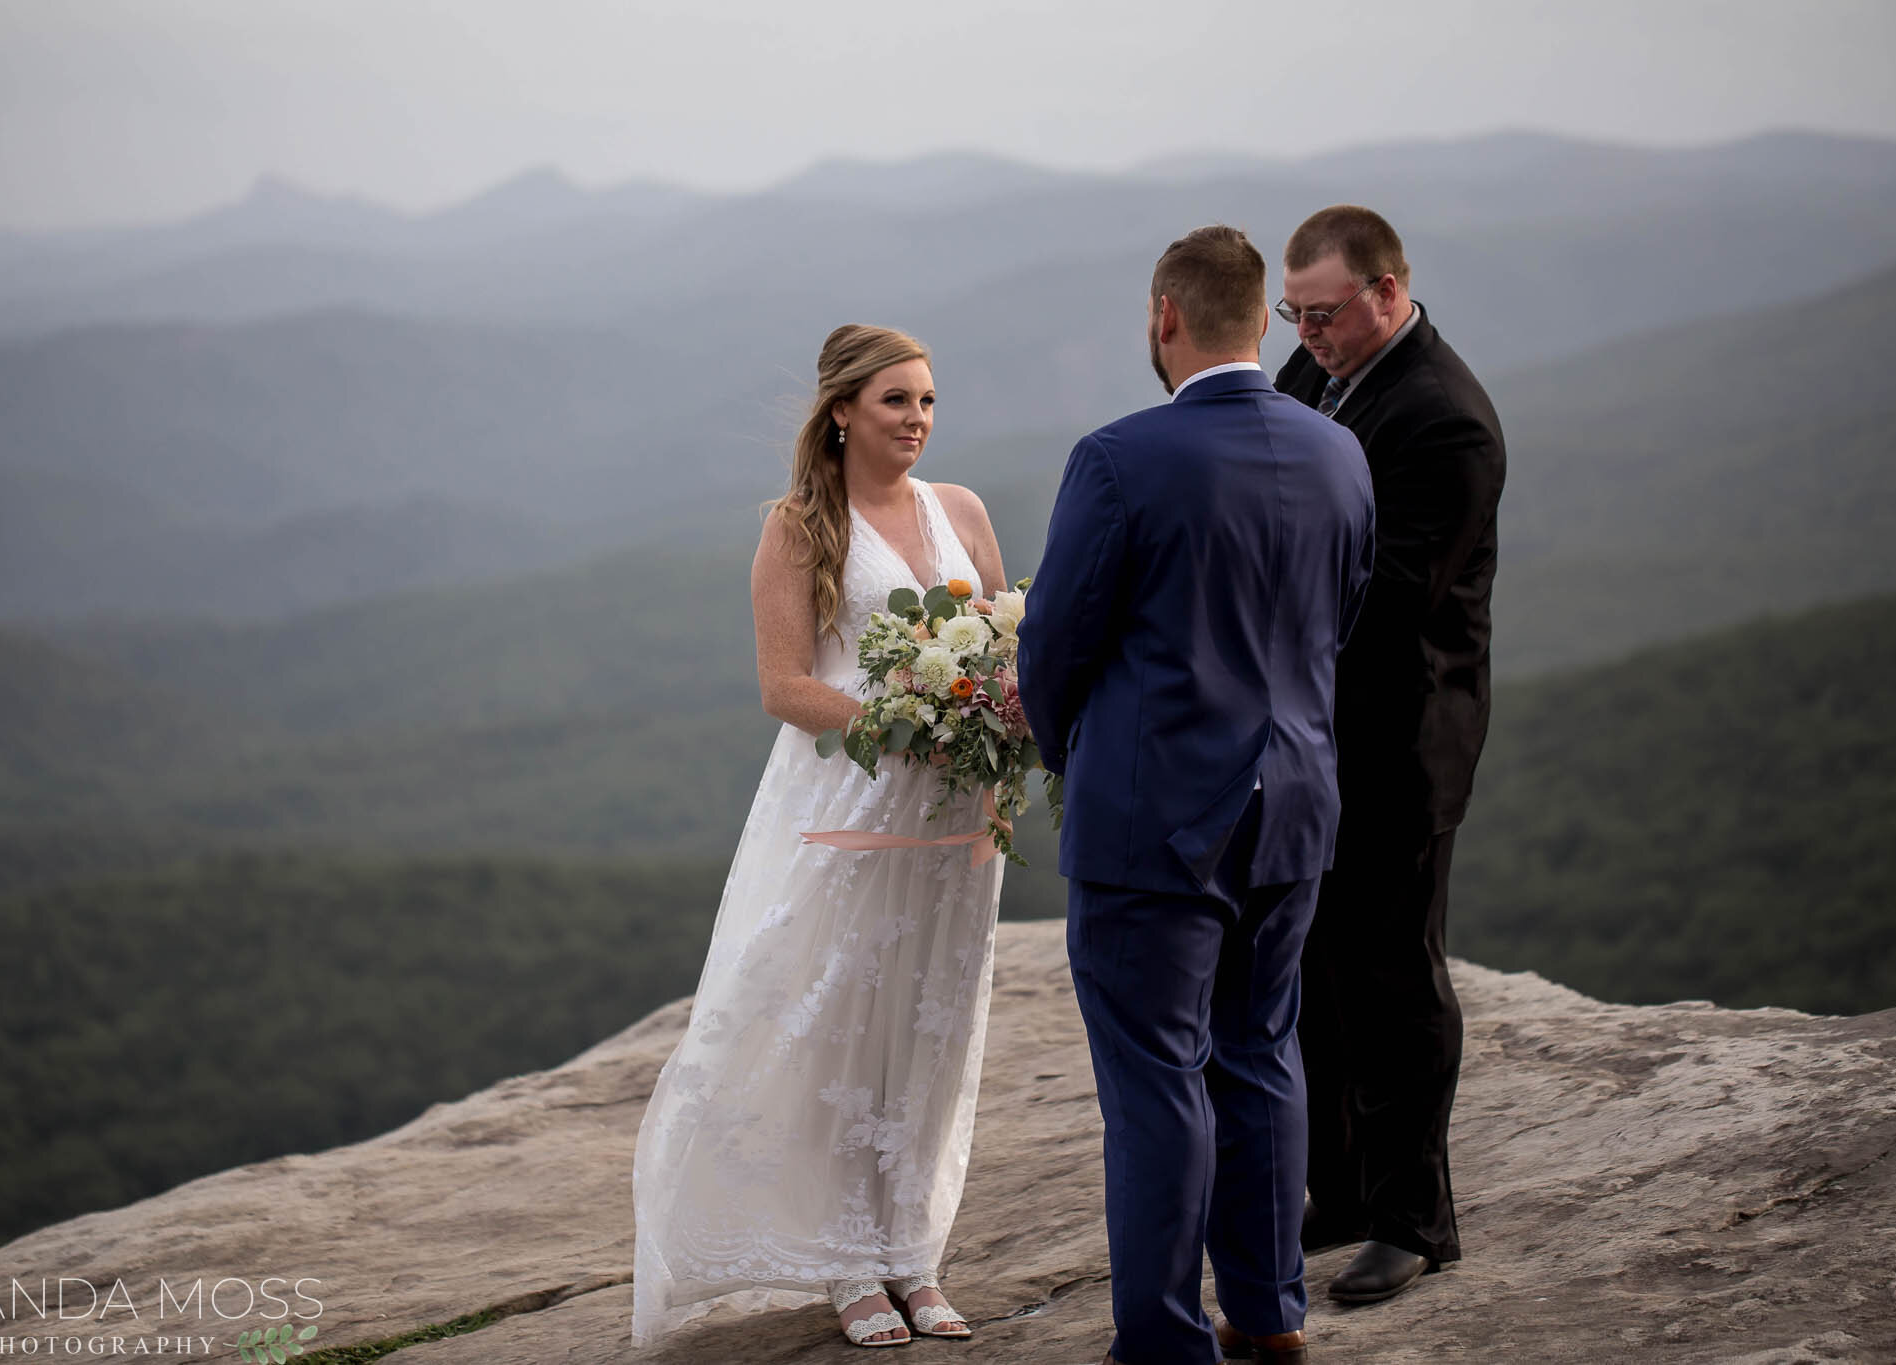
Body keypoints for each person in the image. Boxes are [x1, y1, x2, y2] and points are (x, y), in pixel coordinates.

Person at [1018, 225, 1375, 1365]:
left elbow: (1053, 650)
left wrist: (1074, 759)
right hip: (1295, 809)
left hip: (1155, 819)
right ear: (1265, 320)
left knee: (1155, 1080)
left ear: (1164, 319)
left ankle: (1164, 1343)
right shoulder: (1338, 453)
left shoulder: (1119, 457)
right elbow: (1340, 621)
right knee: (1261, 1054)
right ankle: (1269, 1319)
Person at [630, 324, 1011, 1350]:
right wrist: (911, 721)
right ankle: (846, 1260)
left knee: (929, 1026)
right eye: (895, 401)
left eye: (927, 400)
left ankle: (911, 1253)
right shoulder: (801, 526)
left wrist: (994, 713)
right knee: (843, 1017)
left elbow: (1008, 641)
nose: (917, 420)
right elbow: (785, 687)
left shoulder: (962, 511)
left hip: (955, 818)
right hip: (847, 809)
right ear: (842, 410)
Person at [1272, 205, 1506, 1306]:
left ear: (1387, 289)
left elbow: (1390, 598)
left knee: (1395, 974)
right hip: (1312, 729)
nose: (1306, 335)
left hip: (1402, 735)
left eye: (1322, 315)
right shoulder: (1316, 373)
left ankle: (1415, 1220)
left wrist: (1245, 624)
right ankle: (1346, 1190)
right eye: (1293, 316)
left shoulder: (1445, 419)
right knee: (1312, 966)